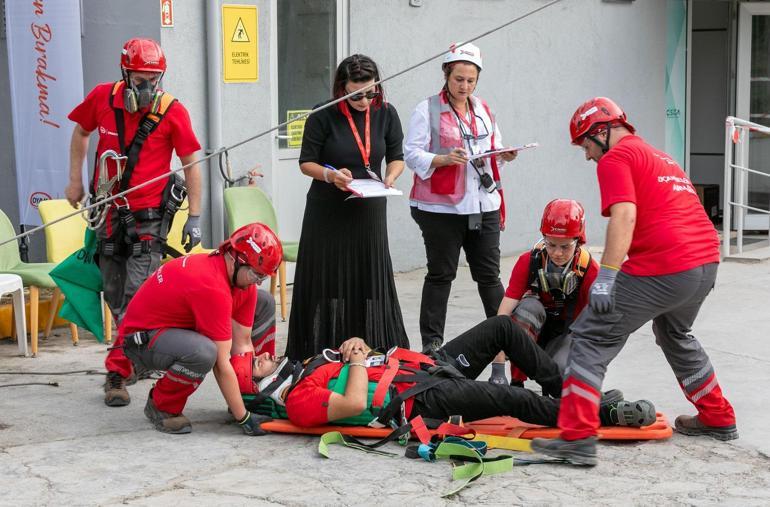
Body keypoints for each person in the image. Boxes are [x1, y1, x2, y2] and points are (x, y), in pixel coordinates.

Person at [531, 97, 737, 466]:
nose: (587, 156)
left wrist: (607, 277)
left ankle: (576, 438)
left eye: (585, 145)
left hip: (668, 265)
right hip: (705, 262)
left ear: (602, 132)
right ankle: (717, 416)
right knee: (675, 334)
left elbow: (623, 216)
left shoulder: (616, 158)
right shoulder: (660, 157)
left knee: (590, 336)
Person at [65, 38, 204, 407]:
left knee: (137, 298)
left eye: (154, 80)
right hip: (108, 211)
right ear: (125, 73)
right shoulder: (102, 98)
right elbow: (80, 131)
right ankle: (133, 358)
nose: (147, 88)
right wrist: (76, 180)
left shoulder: (172, 111)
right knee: (113, 293)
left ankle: (117, 373)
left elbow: (191, 160)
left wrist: (195, 216)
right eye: (140, 79)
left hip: (149, 218)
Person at [232, 316, 655, 433]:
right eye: (257, 363)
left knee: (503, 329)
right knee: (512, 400)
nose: (266, 355)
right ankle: (598, 415)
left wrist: (354, 345)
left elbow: (359, 359)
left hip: (425, 367)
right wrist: (358, 360)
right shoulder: (300, 403)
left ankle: (566, 392)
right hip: (423, 399)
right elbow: (356, 403)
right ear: (260, 386)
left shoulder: (307, 368)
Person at [286, 54, 408, 360]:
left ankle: (370, 347)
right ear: (342, 88)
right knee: (327, 279)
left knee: (368, 277)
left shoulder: (386, 113)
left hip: (369, 209)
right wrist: (331, 175)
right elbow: (306, 163)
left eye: (371, 93)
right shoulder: (323, 114)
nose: (365, 100)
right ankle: (320, 348)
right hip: (328, 209)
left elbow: (396, 155)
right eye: (357, 94)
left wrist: (390, 176)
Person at [403, 43, 518, 354]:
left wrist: (504, 155)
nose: (464, 86)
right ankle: (432, 344)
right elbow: (411, 155)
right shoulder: (426, 109)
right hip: (441, 208)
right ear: (446, 74)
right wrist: (441, 159)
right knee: (441, 274)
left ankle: (506, 340)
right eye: (458, 79)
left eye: (470, 80)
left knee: (489, 276)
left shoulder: (484, 110)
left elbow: (493, 151)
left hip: (483, 203)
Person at [117, 223, 282, 435]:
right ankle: (162, 405)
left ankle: (256, 394)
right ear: (237, 259)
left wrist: (243, 402)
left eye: (263, 277)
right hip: (141, 340)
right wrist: (245, 418)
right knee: (204, 352)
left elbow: (242, 344)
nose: (257, 282)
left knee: (265, 302)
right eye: (256, 275)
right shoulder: (212, 287)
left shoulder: (238, 277)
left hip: (176, 326)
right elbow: (222, 364)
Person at [488, 199, 599, 386]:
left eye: (565, 247)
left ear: (578, 241)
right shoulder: (529, 262)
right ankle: (517, 383)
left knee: (562, 374)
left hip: (569, 333)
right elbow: (504, 313)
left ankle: (560, 382)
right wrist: (497, 364)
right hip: (533, 335)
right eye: (551, 244)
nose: (557, 253)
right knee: (527, 308)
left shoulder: (589, 270)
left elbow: (598, 324)